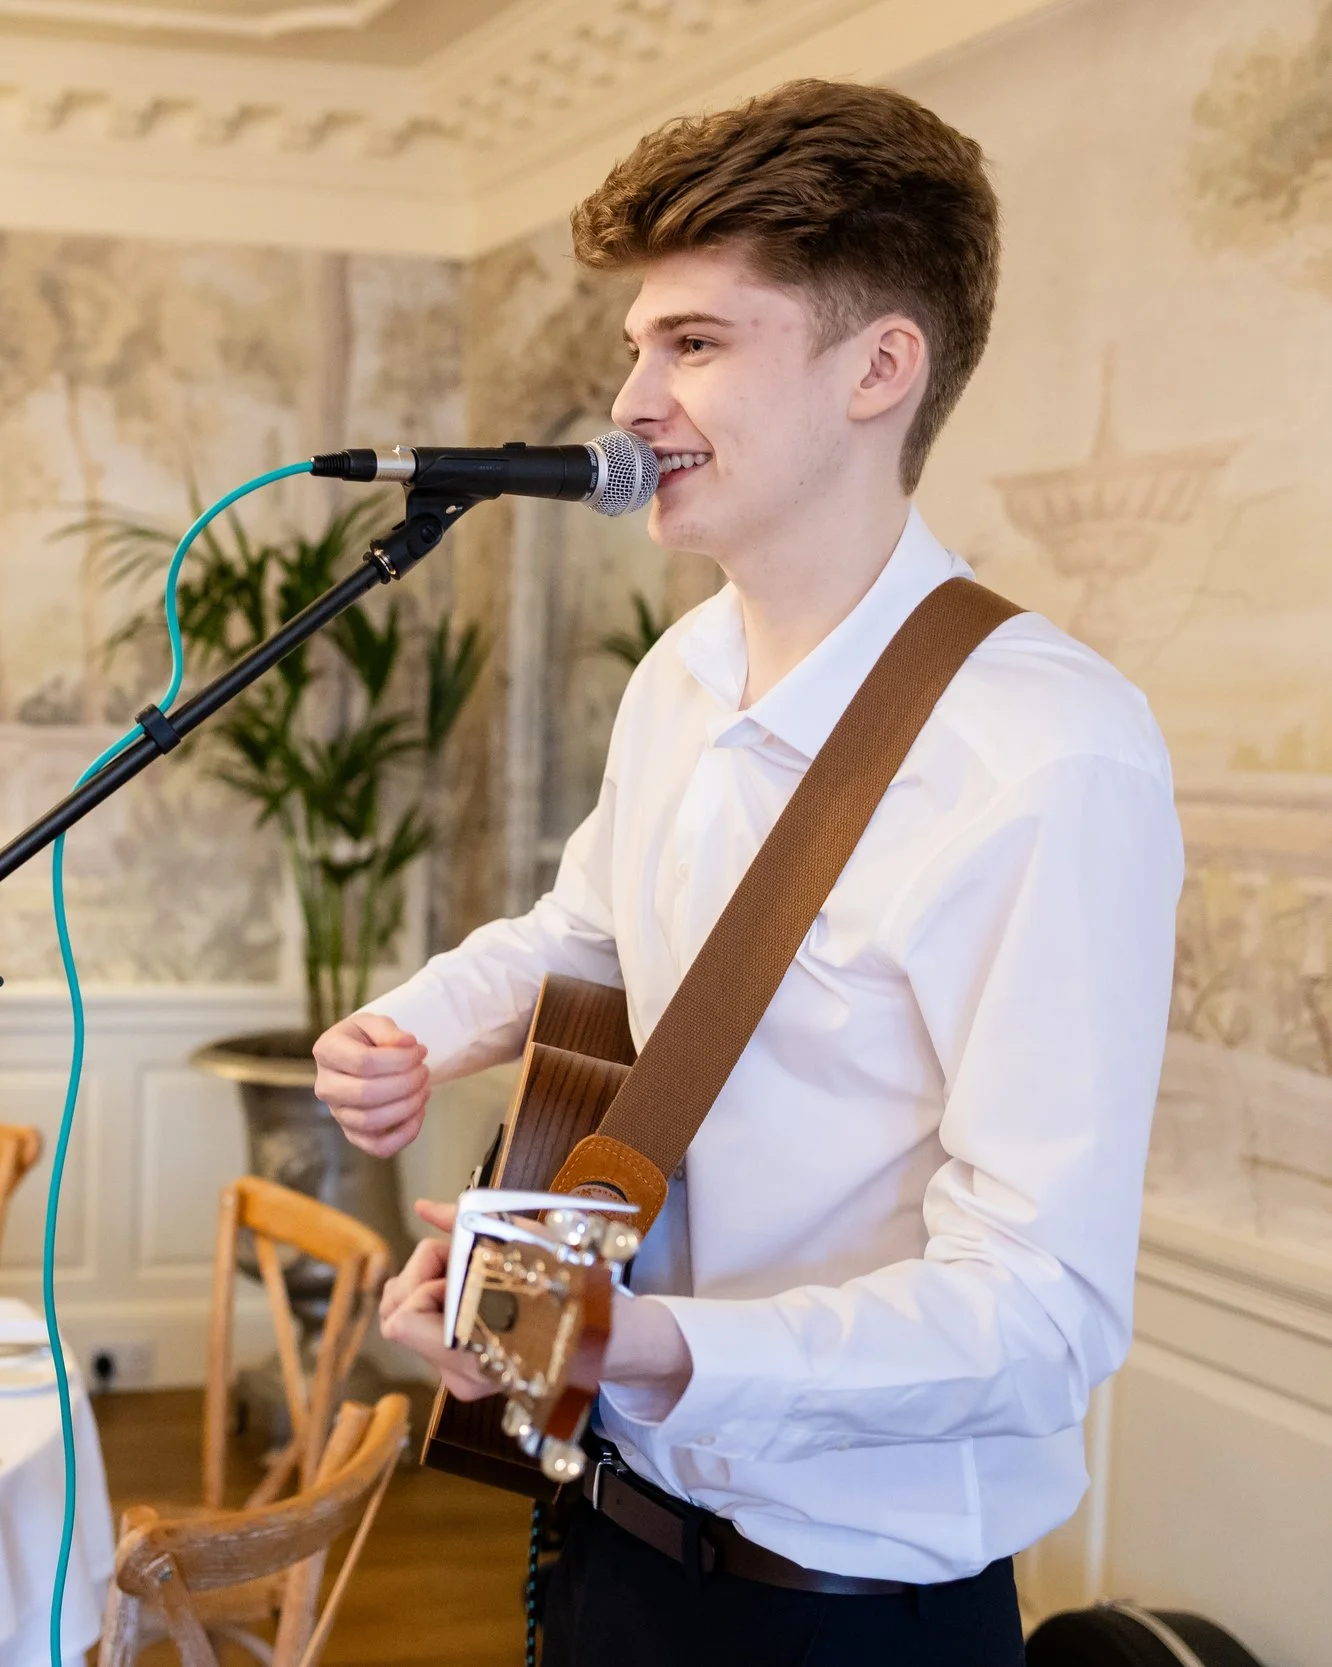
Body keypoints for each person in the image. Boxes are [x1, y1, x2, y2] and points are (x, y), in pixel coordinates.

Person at [312, 79, 1181, 1666]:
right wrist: (423, 1027)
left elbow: (1041, 1317)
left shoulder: (1049, 758)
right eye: (639, 344)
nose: (631, 397)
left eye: (696, 343)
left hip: (842, 1614)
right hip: (604, 1523)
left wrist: (646, 1341)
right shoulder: (687, 670)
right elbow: (595, 935)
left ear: (879, 368)